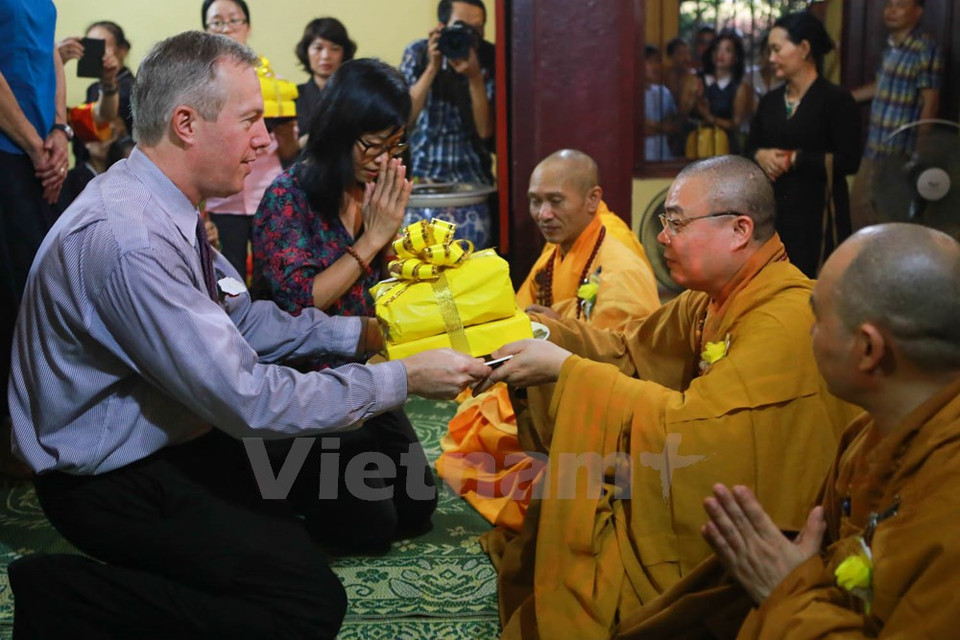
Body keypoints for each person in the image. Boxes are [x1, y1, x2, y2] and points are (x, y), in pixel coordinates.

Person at [5, 31, 490, 638]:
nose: (266, 140)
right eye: (251, 120)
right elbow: (248, 400)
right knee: (306, 603)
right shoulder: (130, 239)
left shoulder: (166, 206)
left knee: (350, 504)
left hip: (178, 429)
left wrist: (364, 337)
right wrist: (401, 377)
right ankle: (63, 597)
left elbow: (244, 320)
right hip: (109, 477)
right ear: (186, 123)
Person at [480, 155, 858, 639]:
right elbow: (630, 352)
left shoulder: (782, 318)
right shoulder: (709, 299)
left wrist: (567, 371)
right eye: (665, 222)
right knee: (570, 512)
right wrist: (553, 336)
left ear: (740, 230)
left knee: (584, 549)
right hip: (687, 477)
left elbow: (705, 434)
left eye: (676, 222)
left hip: (754, 518)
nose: (662, 236)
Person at [701, 223, 960, 638]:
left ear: (869, 349)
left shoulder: (950, 500)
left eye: (818, 318)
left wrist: (786, 590)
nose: (809, 333)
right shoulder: (866, 435)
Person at [252, 58, 434, 553]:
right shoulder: (288, 196)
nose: (381, 159)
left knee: (417, 507)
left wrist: (409, 254)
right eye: (371, 145)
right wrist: (371, 240)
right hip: (299, 385)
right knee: (370, 525)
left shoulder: (373, 190)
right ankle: (265, 502)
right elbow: (298, 304)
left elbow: (385, 284)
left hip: (363, 376)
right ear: (338, 130)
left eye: (393, 145)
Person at [436, 149, 661, 533]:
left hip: (596, 400)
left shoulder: (619, 265)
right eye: (535, 201)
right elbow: (522, 310)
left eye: (555, 201)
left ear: (593, 199)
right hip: (554, 380)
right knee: (479, 422)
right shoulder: (568, 243)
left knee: (485, 435)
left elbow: (628, 361)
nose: (542, 213)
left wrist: (556, 329)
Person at [0, 0, 67, 478]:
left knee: (39, 288)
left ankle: (36, 427)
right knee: (10, 293)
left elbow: (50, 58)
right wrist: (30, 142)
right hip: (9, 150)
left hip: (39, 150)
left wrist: (60, 130)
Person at [745, 12, 861, 279]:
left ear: (805, 48)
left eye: (777, 49)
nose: (771, 58)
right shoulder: (770, 101)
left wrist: (795, 159)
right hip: (774, 213)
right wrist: (761, 154)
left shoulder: (837, 100)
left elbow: (849, 160)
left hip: (818, 216)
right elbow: (748, 150)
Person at [202, 0, 301, 281]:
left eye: (234, 20)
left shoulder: (273, 87)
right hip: (221, 199)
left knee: (270, 275)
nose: (227, 29)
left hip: (266, 195)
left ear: (248, 27)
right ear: (206, 30)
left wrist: (283, 130)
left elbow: (290, 151)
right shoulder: (199, 88)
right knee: (225, 277)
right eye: (217, 22)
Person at [849, 0, 943, 231]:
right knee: (859, 210)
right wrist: (842, 98)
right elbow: (881, 86)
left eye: (900, 5)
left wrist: (920, 151)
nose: (891, 11)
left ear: (918, 12)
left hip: (900, 153)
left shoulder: (925, 49)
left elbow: (930, 101)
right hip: (874, 147)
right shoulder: (891, 47)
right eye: (889, 5)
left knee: (890, 219)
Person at [400, 0, 495, 187]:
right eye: (461, 27)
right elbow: (404, 119)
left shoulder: (489, 57)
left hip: (473, 176)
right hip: (423, 176)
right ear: (442, 27)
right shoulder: (418, 53)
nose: (469, 35)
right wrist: (431, 68)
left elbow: (485, 131)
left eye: (476, 29)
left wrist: (475, 78)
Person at [680, 31, 753, 155]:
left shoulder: (740, 87)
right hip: (694, 144)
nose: (720, 54)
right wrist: (694, 99)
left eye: (727, 50)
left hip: (724, 149)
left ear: (736, 57)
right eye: (717, 49)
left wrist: (709, 117)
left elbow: (736, 124)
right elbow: (681, 114)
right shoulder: (694, 79)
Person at [58, 21, 135, 136]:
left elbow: (103, 119)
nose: (94, 52)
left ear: (122, 50)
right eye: (89, 45)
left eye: (100, 46)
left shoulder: (134, 89)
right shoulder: (93, 88)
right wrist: (56, 63)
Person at [294, 17, 356, 146]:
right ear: (306, 51)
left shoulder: (356, 95)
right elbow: (285, 152)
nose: (326, 56)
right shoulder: (293, 96)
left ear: (344, 53)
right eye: (318, 48)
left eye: (334, 48)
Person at [643, 45, 678, 161]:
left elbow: (674, 128)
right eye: (649, 62)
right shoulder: (631, 95)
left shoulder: (664, 92)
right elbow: (640, 131)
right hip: (642, 160)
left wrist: (652, 124)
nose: (655, 67)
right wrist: (663, 127)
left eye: (657, 61)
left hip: (664, 158)